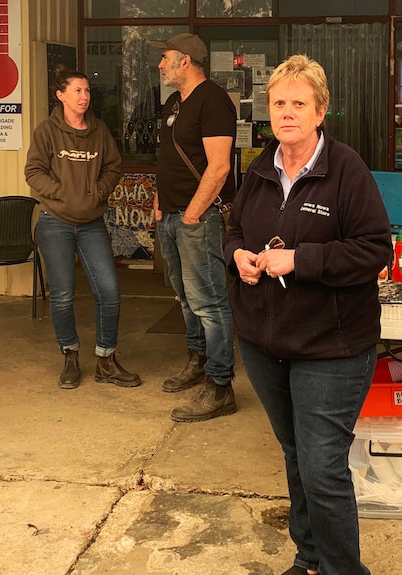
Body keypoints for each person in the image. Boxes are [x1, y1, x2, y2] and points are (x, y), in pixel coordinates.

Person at [223, 55, 392, 575]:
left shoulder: (346, 170)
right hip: (264, 341)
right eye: (279, 103)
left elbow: (374, 250)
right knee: (297, 456)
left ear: (321, 111)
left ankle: (343, 569)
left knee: (322, 468)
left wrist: (300, 259)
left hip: (331, 345)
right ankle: (309, 556)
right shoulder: (257, 166)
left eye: (300, 103)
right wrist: (239, 258)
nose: (287, 113)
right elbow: (232, 230)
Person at [25, 67, 141, 390]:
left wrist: (98, 192)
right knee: (62, 296)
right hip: (55, 223)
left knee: (109, 291)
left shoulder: (100, 131)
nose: (84, 96)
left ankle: (106, 359)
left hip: (92, 224)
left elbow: (113, 167)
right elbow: (33, 171)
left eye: (87, 90)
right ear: (60, 95)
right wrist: (63, 193)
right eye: (77, 90)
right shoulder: (46, 131)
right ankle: (70, 356)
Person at [148, 33, 237, 422]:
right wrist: (158, 203)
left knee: (210, 302)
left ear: (185, 61)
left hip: (195, 218)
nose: (160, 65)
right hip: (170, 215)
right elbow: (168, 156)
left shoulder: (214, 101)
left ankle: (220, 386)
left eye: (165, 58)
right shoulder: (173, 102)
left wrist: (191, 214)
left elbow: (219, 167)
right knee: (185, 297)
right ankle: (197, 361)